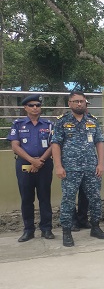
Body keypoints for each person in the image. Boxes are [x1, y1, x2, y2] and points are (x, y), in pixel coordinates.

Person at [51, 91, 104, 247]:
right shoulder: (62, 121)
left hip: (91, 168)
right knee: (68, 201)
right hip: (70, 169)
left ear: (85, 103)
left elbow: (99, 143)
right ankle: (67, 232)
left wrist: (100, 163)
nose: (79, 104)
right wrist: (58, 166)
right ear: (69, 103)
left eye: (82, 101)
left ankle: (95, 227)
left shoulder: (93, 121)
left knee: (95, 199)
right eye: (75, 101)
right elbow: (55, 144)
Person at [8, 94, 54, 242]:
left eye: (38, 105)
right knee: (27, 198)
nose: (35, 108)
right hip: (24, 164)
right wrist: (31, 161)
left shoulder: (48, 124)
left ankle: (46, 229)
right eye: (32, 105)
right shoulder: (18, 124)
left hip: (45, 164)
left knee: (45, 198)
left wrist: (40, 161)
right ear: (25, 107)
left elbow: (54, 145)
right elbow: (15, 145)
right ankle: (28, 230)